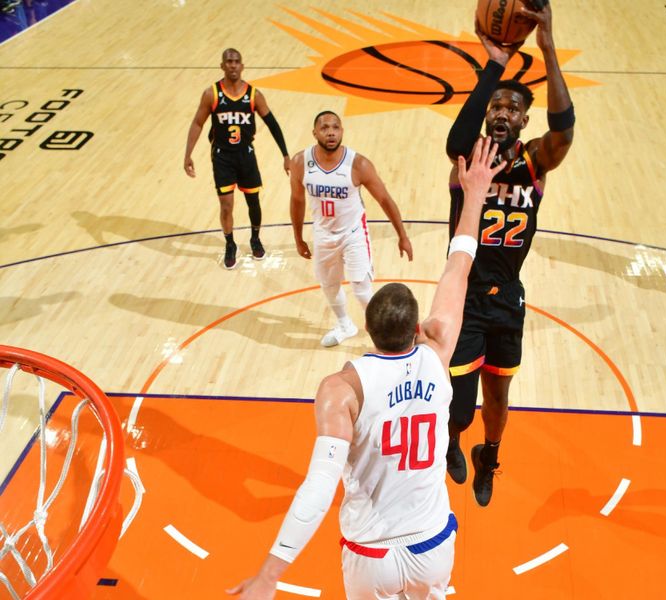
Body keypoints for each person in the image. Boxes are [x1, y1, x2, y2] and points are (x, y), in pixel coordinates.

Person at [226, 137, 506, 600]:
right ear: (417, 327)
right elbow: (460, 266)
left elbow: (319, 487)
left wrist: (269, 576)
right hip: (432, 544)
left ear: (370, 332)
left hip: (371, 555)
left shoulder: (342, 388)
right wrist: (474, 194)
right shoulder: (438, 351)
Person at [443, 4, 575, 507]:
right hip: (465, 295)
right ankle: (454, 438)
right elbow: (457, 137)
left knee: (497, 397)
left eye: (511, 109)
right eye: (495, 106)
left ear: (523, 120)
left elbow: (563, 130)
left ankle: (488, 456)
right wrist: (494, 66)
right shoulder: (469, 157)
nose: (501, 112)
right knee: (459, 403)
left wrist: (547, 47)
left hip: (508, 298)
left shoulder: (534, 161)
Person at [290, 111, 413, 347]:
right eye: (325, 127)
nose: (331, 132)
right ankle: (345, 325)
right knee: (329, 285)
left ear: (342, 131)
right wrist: (298, 238)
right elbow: (297, 201)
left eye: (336, 127)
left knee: (362, 290)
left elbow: (385, 200)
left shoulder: (358, 164)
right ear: (314, 132)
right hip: (323, 235)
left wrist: (402, 236)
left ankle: (385, 337)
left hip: (353, 234)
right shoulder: (300, 162)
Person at [184, 48, 291, 269]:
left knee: (254, 202)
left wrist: (285, 154)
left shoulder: (254, 95)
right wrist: (188, 154)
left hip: (246, 156)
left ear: (242, 66)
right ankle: (230, 243)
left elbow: (272, 124)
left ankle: (255, 238)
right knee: (226, 205)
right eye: (228, 62)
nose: (232, 65)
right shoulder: (212, 94)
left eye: (236, 62)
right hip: (222, 158)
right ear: (222, 66)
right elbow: (197, 123)